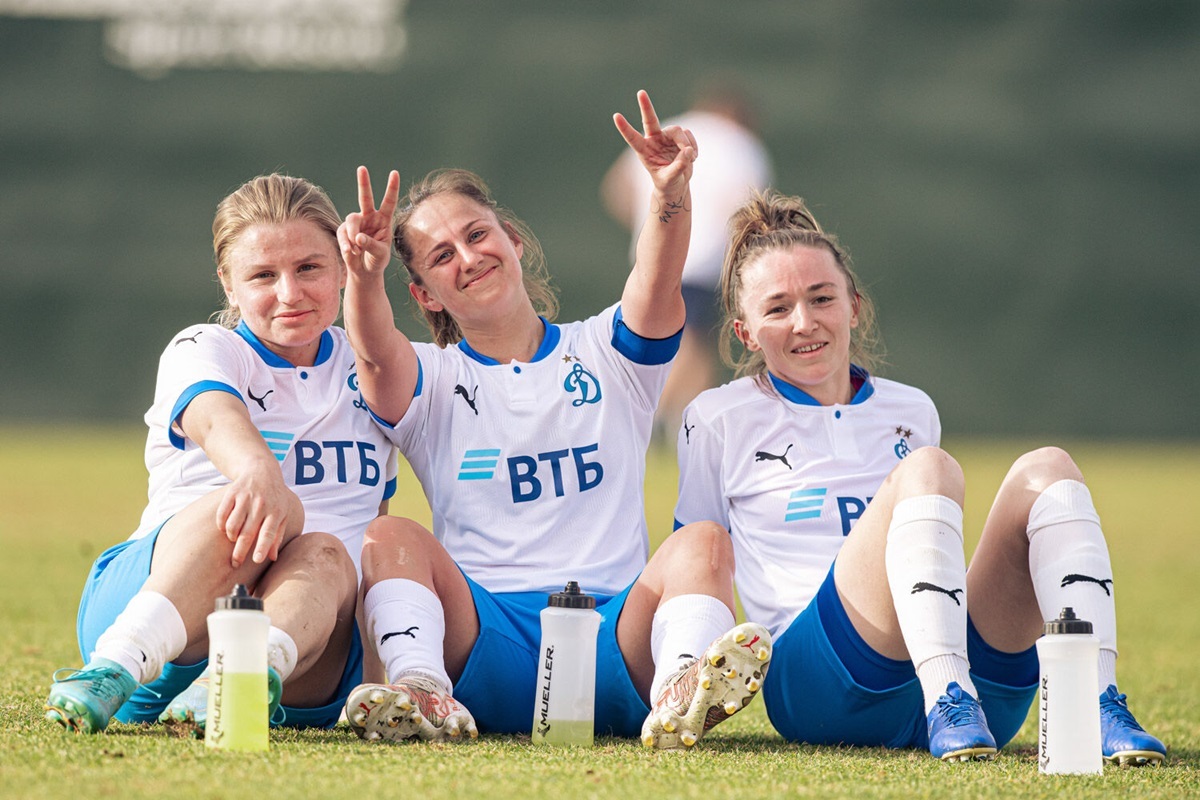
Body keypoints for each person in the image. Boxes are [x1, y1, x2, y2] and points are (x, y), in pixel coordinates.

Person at [336, 90, 770, 748]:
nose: (468, 255)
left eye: (477, 234)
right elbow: (372, 349)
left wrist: (669, 195)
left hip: (615, 651)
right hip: (485, 649)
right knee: (390, 536)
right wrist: (363, 279)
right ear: (424, 292)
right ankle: (421, 688)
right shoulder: (429, 377)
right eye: (442, 255)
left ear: (510, 240)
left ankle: (681, 688)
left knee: (703, 542)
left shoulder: (608, 351)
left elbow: (658, 278)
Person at [672, 190, 1167, 764]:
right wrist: (680, 678)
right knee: (928, 469)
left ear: (854, 306)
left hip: (979, 697)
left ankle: (1097, 700)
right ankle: (947, 696)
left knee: (1048, 468)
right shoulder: (716, 417)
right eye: (777, 308)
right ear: (745, 333)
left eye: (821, 297)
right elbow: (697, 559)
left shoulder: (912, 409)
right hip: (823, 688)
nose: (804, 321)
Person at [45, 174, 400, 735]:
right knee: (250, 503)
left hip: (304, 649)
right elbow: (214, 415)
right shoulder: (204, 347)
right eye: (263, 275)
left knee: (330, 551)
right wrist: (260, 471)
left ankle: (232, 682)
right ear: (228, 286)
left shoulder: (381, 372)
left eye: (309, 267)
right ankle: (113, 667)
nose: (290, 292)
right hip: (167, 621)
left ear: (340, 266)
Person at [601, 81, 772, 443]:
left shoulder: (665, 131)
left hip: (654, 255)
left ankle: (684, 428)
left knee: (677, 343)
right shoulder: (742, 145)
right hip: (705, 260)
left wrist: (649, 222)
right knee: (690, 343)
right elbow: (747, 208)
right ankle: (650, 418)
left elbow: (616, 187)